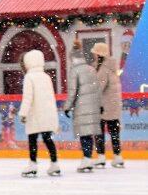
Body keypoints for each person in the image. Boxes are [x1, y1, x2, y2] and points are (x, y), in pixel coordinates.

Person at [18, 49, 60, 177]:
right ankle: (54, 164)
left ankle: (33, 164)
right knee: (48, 139)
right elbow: (50, 97)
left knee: (33, 140)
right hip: (47, 113)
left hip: (35, 114)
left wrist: (23, 113)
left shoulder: (29, 77)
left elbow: (28, 97)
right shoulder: (46, 77)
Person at [63, 45, 101, 173]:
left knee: (84, 134)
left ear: (73, 58)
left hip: (81, 106)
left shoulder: (75, 71)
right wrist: (99, 105)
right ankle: (88, 158)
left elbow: (73, 91)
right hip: (93, 106)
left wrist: (67, 107)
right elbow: (98, 89)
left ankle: (86, 159)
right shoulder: (91, 69)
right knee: (89, 133)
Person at [92, 42, 125, 169]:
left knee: (99, 131)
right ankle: (117, 156)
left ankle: (101, 157)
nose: (94, 55)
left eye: (95, 53)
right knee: (114, 132)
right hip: (113, 104)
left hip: (104, 105)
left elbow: (99, 87)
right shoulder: (111, 67)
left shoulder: (104, 68)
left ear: (99, 55)